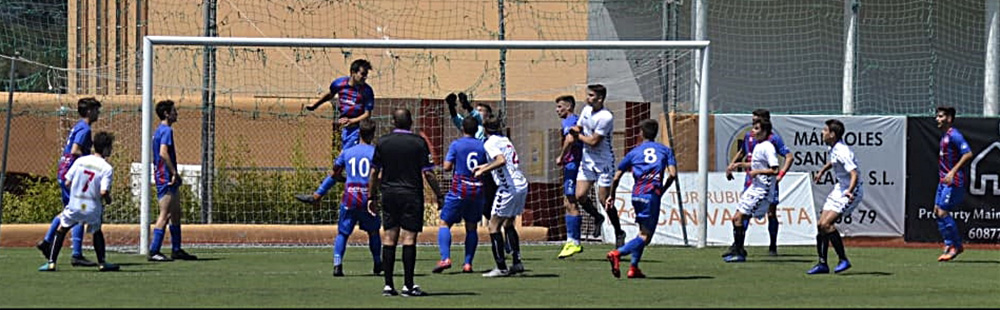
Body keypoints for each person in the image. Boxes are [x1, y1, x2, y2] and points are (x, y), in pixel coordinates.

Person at [367, 108, 444, 297]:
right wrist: (439, 195)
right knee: (409, 238)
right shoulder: (418, 142)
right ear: (411, 122)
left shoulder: (383, 142)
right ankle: (408, 285)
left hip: (389, 194)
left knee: (389, 238)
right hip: (411, 194)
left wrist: (371, 196)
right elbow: (428, 172)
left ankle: (388, 285)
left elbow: (374, 172)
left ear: (393, 122)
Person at [295, 120, 383, 277]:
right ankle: (377, 263)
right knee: (373, 232)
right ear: (372, 134)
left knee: (343, 233)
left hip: (350, 196)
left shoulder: (347, 152)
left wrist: (345, 178)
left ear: (359, 133)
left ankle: (337, 264)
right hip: (366, 196)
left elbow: (335, 172)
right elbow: (379, 175)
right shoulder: (375, 152)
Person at [38, 132, 120, 272]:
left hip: (75, 205)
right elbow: (103, 192)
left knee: (62, 229)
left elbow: (68, 181)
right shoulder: (107, 168)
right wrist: (108, 200)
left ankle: (51, 262)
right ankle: (102, 263)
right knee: (97, 232)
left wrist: (77, 192)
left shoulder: (80, 161)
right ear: (106, 149)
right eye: (110, 147)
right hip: (92, 207)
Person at [605, 119, 677, 278]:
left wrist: (612, 196)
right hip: (651, 195)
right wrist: (663, 189)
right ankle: (617, 253)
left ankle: (633, 268)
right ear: (656, 133)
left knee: (641, 232)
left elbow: (616, 178)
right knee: (646, 237)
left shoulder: (633, 152)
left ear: (641, 133)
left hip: (636, 195)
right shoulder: (665, 150)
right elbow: (672, 174)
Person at [562, 84, 626, 259]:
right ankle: (597, 217)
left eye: (591, 96)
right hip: (587, 161)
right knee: (580, 195)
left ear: (600, 98)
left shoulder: (606, 117)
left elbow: (593, 142)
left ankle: (619, 232)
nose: (587, 98)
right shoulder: (586, 110)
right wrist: (575, 130)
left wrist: (577, 137)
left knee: (604, 199)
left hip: (603, 162)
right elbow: (580, 127)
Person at [37, 97, 102, 267]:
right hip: (72, 174)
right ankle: (76, 254)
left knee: (70, 211)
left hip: (64, 170)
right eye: (96, 110)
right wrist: (89, 161)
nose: (98, 113)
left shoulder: (79, 126)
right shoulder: (85, 129)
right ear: (89, 112)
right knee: (78, 211)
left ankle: (47, 241)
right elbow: (75, 150)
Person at [724, 109, 793, 257]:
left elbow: (788, 157)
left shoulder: (772, 141)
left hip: (765, 184)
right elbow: (743, 153)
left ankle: (772, 245)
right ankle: (738, 246)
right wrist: (733, 165)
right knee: (742, 213)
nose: (753, 124)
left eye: (756, 122)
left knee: (770, 212)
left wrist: (780, 175)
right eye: (753, 121)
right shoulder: (750, 137)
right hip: (752, 182)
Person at [474, 116, 529, 278]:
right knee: (509, 224)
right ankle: (517, 262)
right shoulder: (505, 140)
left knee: (493, 225)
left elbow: (501, 161)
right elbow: (504, 161)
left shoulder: (489, 143)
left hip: (508, 188)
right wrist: (485, 166)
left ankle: (501, 267)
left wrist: (483, 171)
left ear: (484, 129)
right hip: (520, 184)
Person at [807, 119, 863, 274]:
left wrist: (850, 191)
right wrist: (823, 171)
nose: (822, 133)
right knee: (820, 225)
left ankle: (843, 259)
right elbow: (833, 162)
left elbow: (854, 174)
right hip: (840, 188)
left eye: (825, 130)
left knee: (826, 225)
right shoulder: (834, 148)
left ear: (832, 134)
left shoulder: (843, 151)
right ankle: (822, 264)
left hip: (851, 190)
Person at [433, 117, 488, 274]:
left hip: (459, 190)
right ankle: (467, 263)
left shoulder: (456, 144)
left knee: (445, 223)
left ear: (462, 128)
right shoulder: (483, 146)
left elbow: (447, 167)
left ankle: (445, 258)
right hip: (477, 190)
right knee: (471, 227)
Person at [147, 100, 197, 262]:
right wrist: (173, 172)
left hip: (166, 175)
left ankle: (176, 249)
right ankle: (154, 250)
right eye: (174, 111)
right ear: (167, 113)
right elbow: (163, 153)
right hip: (165, 176)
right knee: (165, 213)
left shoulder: (160, 130)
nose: (177, 113)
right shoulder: (166, 130)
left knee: (176, 213)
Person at [555, 95, 606, 255]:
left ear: (569, 107)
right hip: (578, 163)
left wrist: (561, 156)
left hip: (573, 164)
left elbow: (570, 139)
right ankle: (596, 216)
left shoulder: (570, 121)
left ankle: (573, 241)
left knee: (570, 201)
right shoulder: (577, 120)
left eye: (560, 107)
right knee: (576, 198)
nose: (557, 110)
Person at [447, 93, 498, 223]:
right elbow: (459, 121)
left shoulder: (487, 129)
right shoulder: (471, 129)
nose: (478, 112)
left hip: (484, 171)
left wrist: (468, 106)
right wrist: (451, 107)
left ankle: (495, 231)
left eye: (481, 111)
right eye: (477, 110)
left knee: (488, 206)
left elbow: (476, 119)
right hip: (466, 174)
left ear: (488, 115)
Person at [306, 59, 375, 151]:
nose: (365, 77)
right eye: (362, 74)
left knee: (348, 154)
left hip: (358, 128)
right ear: (353, 72)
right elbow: (330, 95)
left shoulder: (367, 91)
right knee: (345, 152)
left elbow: (367, 114)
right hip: (345, 127)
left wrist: (352, 120)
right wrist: (315, 105)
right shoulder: (339, 84)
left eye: (366, 75)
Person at [932, 106, 973, 262]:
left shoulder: (955, 135)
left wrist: (952, 172)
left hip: (953, 181)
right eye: (937, 116)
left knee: (943, 212)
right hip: (943, 182)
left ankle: (955, 246)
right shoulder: (945, 136)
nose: (937, 119)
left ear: (949, 119)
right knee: (937, 211)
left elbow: (968, 153)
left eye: (941, 116)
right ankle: (951, 244)